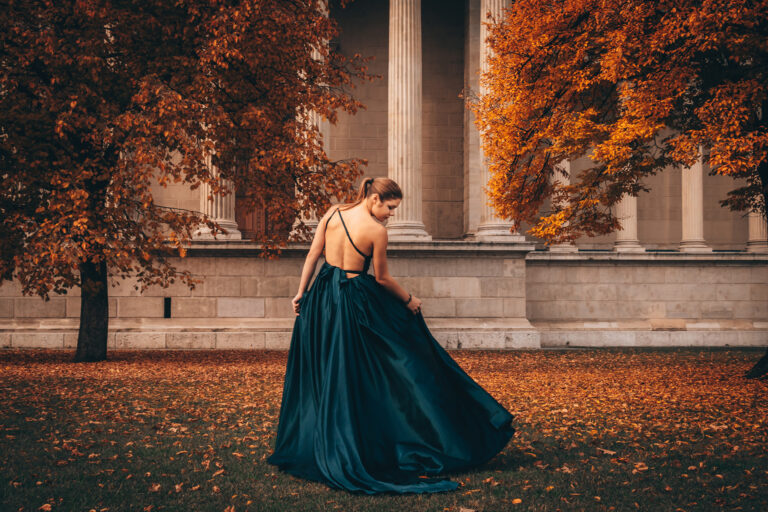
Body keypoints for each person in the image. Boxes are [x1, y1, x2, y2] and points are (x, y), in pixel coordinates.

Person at [266, 177, 516, 494]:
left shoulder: (332, 213)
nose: (391, 215)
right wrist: (409, 300)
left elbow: (313, 255)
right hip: (354, 302)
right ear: (374, 199)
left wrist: (301, 294)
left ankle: (332, 438)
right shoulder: (376, 232)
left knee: (330, 369)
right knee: (388, 363)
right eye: (391, 208)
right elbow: (382, 279)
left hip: (322, 298)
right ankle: (398, 434)